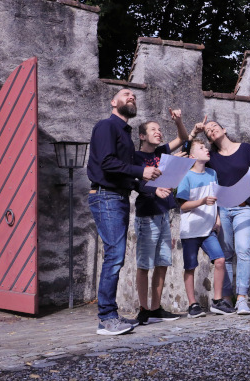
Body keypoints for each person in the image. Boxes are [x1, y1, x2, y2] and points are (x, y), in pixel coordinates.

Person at [87, 88, 161, 336]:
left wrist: (151, 189)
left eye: (134, 96)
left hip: (118, 197)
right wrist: (141, 172)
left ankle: (110, 316)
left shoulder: (125, 135)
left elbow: (125, 174)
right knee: (115, 255)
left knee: (116, 255)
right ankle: (106, 319)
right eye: (125, 94)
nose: (131, 97)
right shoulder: (106, 126)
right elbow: (107, 163)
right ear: (113, 101)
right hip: (106, 197)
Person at [133, 108, 190, 325]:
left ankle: (156, 308)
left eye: (159, 129)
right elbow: (136, 183)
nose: (158, 132)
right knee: (144, 264)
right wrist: (153, 190)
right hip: (147, 215)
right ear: (142, 136)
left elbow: (184, 138)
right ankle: (143, 309)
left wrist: (179, 121)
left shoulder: (162, 152)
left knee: (162, 262)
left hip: (164, 213)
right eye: (153, 129)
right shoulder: (136, 157)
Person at [203, 120, 250, 315]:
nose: (211, 130)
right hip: (223, 210)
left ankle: (242, 299)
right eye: (207, 130)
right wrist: (195, 131)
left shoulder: (245, 148)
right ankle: (227, 300)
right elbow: (190, 156)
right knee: (227, 255)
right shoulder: (212, 157)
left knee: (243, 250)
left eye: (214, 126)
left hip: (243, 208)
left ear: (224, 129)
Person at [176, 138, 236, 318]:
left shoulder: (212, 173)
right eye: (201, 148)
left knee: (219, 260)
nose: (206, 149)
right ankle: (192, 305)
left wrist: (217, 218)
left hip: (208, 229)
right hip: (191, 230)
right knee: (190, 266)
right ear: (193, 155)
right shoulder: (186, 176)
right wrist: (202, 201)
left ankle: (217, 301)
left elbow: (215, 199)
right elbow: (183, 206)